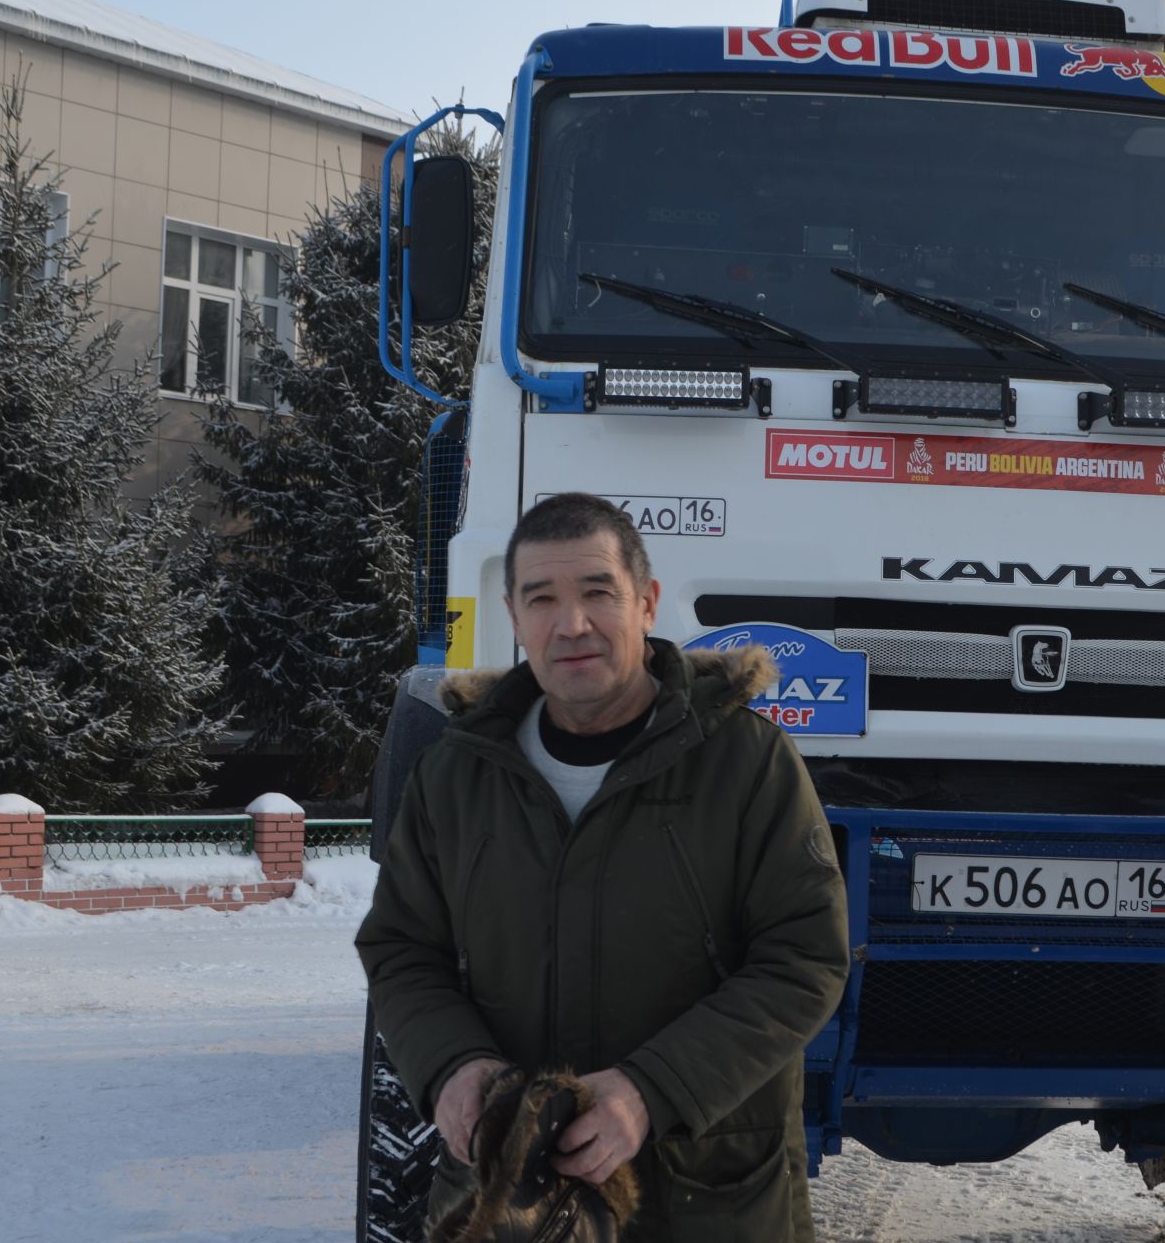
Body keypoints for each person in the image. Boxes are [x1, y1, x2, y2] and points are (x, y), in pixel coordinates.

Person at [356, 492, 851, 1240]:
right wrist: (452, 1066)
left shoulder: (746, 764)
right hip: (508, 1204)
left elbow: (804, 958)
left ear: (647, 604)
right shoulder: (456, 775)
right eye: (542, 599)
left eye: (597, 593)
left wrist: (651, 1091)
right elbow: (402, 948)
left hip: (707, 1204)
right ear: (514, 616)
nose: (572, 624)